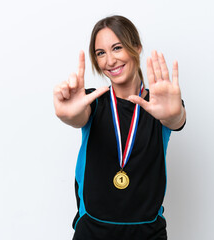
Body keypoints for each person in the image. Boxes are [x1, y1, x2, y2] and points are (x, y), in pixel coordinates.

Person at [53, 15, 186, 240]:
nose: (110, 60)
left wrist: (175, 114)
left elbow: (175, 119)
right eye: (101, 53)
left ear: (136, 47)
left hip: (148, 232)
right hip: (93, 230)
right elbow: (77, 117)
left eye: (117, 48)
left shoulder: (160, 105)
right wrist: (67, 114)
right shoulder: (91, 101)